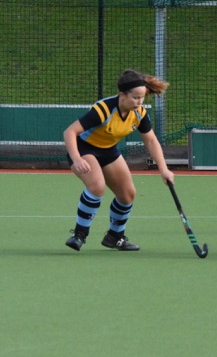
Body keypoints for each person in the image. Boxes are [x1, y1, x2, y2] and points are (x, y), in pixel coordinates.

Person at [63, 69, 175, 252]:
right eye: (135, 98)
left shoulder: (139, 113)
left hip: (108, 150)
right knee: (97, 187)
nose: (139, 102)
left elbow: (151, 141)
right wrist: (76, 159)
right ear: (122, 95)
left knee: (127, 194)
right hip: (84, 148)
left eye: (142, 98)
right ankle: (79, 235)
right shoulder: (104, 109)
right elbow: (70, 132)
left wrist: (164, 169)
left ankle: (115, 237)